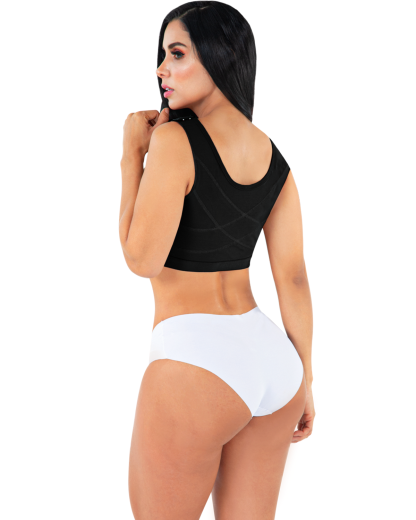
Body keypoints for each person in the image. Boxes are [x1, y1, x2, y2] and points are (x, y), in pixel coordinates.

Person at [119, 2, 315, 519]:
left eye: (177, 53)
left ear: (220, 56)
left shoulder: (173, 140)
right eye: (163, 54)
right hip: (275, 364)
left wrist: (131, 156)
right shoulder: (274, 157)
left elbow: (141, 258)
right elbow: (293, 278)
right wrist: (305, 380)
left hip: (196, 357)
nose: (161, 69)